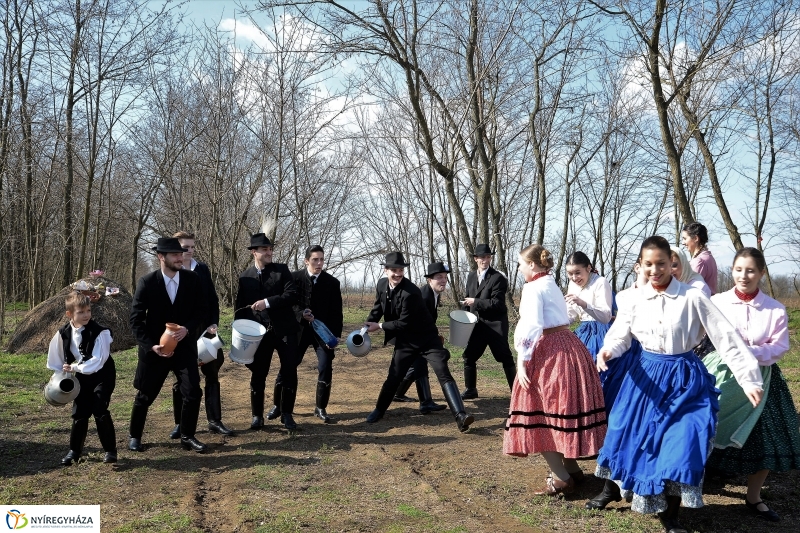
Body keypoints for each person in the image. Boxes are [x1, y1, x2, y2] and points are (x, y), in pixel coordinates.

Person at [588, 236, 763, 533]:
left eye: (661, 263)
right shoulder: (632, 299)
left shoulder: (692, 297)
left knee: (682, 443)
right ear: (640, 266)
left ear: (672, 263)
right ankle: (610, 490)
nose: (655, 270)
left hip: (684, 379)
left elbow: (725, 337)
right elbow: (620, 334)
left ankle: (671, 514)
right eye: (648, 264)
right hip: (645, 376)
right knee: (624, 432)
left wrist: (748, 378)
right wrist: (608, 350)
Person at [703, 248, 799, 522]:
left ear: (761, 273)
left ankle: (754, 497)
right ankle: (693, 486)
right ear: (731, 270)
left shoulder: (774, 309)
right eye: (738, 269)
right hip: (720, 373)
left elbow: (779, 347)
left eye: (750, 270)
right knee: (703, 427)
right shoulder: (716, 302)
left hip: (762, 379)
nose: (743, 276)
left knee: (765, 436)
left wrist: (747, 353)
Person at [503, 244, 607, 496]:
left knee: (537, 410)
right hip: (569, 345)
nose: (518, 269)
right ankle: (570, 468)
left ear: (531, 265)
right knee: (558, 409)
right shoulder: (550, 282)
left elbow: (531, 325)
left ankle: (560, 477)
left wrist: (521, 358)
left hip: (548, 350)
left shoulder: (533, 287)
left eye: (519, 264)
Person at [363, 252, 474, 432]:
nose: (398, 274)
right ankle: (379, 410)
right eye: (394, 270)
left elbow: (404, 322)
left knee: (442, 371)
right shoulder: (382, 284)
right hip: (406, 341)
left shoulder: (411, 292)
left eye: (401, 270)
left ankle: (461, 416)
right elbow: (378, 307)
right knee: (394, 375)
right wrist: (367, 324)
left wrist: (380, 326)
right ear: (386, 270)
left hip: (427, 339)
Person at [129, 237, 210, 453]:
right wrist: (150, 346)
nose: (180, 257)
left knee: (193, 391)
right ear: (161, 257)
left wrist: (188, 328)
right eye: (174, 254)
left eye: (180, 253)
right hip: (155, 350)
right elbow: (135, 319)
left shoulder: (192, 280)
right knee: (145, 395)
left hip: (184, 348)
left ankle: (187, 436)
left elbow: (201, 311)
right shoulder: (147, 282)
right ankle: (135, 436)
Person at [266, 245, 343, 424]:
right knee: (288, 366)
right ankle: (278, 405)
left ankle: (321, 407)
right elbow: (287, 303)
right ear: (306, 260)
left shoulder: (332, 283)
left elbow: (336, 313)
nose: (319, 263)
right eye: (315, 259)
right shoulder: (293, 278)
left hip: (322, 333)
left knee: (325, 366)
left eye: (322, 259)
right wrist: (301, 314)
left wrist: (335, 335)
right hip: (297, 330)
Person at [167, 231, 234, 439]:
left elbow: (212, 300)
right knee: (183, 380)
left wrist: (214, 323)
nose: (189, 251)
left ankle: (215, 421)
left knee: (212, 375)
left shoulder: (202, 269)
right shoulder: (171, 271)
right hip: (183, 334)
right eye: (185, 247)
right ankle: (180, 423)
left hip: (207, 331)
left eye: (192, 247)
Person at [235, 233, 299, 431]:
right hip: (258, 335)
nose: (269, 252)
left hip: (285, 331)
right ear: (254, 252)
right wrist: (239, 335)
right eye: (265, 250)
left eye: (270, 249)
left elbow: (292, 295)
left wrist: (267, 303)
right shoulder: (245, 277)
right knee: (258, 373)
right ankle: (257, 416)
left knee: (289, 371)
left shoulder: (282, 271)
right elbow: (240, 308)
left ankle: (286, 414)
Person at [47, 292, 117, 465]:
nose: (86, 315)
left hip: (103, 374)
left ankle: (110, 451)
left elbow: (98, 360)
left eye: (88, 310)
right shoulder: (63, 332)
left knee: (99, 409)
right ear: (70, 314)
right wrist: (61, 374)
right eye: (81, 312)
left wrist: (75, 367)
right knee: (80, 412)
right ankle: (74, 451)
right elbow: (56, 357)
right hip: (81, 376)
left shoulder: (100, 332)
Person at [392, 261, 449, 414]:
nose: (443, 280)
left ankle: (398, 393)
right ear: (429, 279)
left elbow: (427, 320)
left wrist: (434, 335)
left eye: (445, 277)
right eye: (439, 277)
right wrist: (432, 339)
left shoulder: (434, 294)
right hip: (410, 336)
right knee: (420, 363)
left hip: (419, 335)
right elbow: (413, 322)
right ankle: (425, 402)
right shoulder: (424, 296)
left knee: (416, 365)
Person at [460, 243, 516, 399]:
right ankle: (471, 389)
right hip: (477, 327)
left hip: (495, 326)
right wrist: (465, 319)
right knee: (469, 356)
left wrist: (475, 302)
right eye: (482, 257)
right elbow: (467, 299)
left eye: (488, 257)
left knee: (505, 357)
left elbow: (497, 304)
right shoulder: (471, 276)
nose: (485, 260)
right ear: (475, 259)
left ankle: (517, 393)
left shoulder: (498, 278)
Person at [564, 251, 613, 360]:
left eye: (577, 272)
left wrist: (584, 304)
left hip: (601, 332)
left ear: (588, 268)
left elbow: (605, 317)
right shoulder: (572, 284)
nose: (574, 277)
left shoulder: (600, 282)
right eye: (570, 273)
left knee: (593, 360)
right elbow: (570, 315)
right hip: (583, 330)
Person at [681, 222, 718, 294]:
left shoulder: (699, 261)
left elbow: (691, 289)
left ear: (695, 238)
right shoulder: (708, 257)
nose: (683, 242)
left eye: (685, 238)